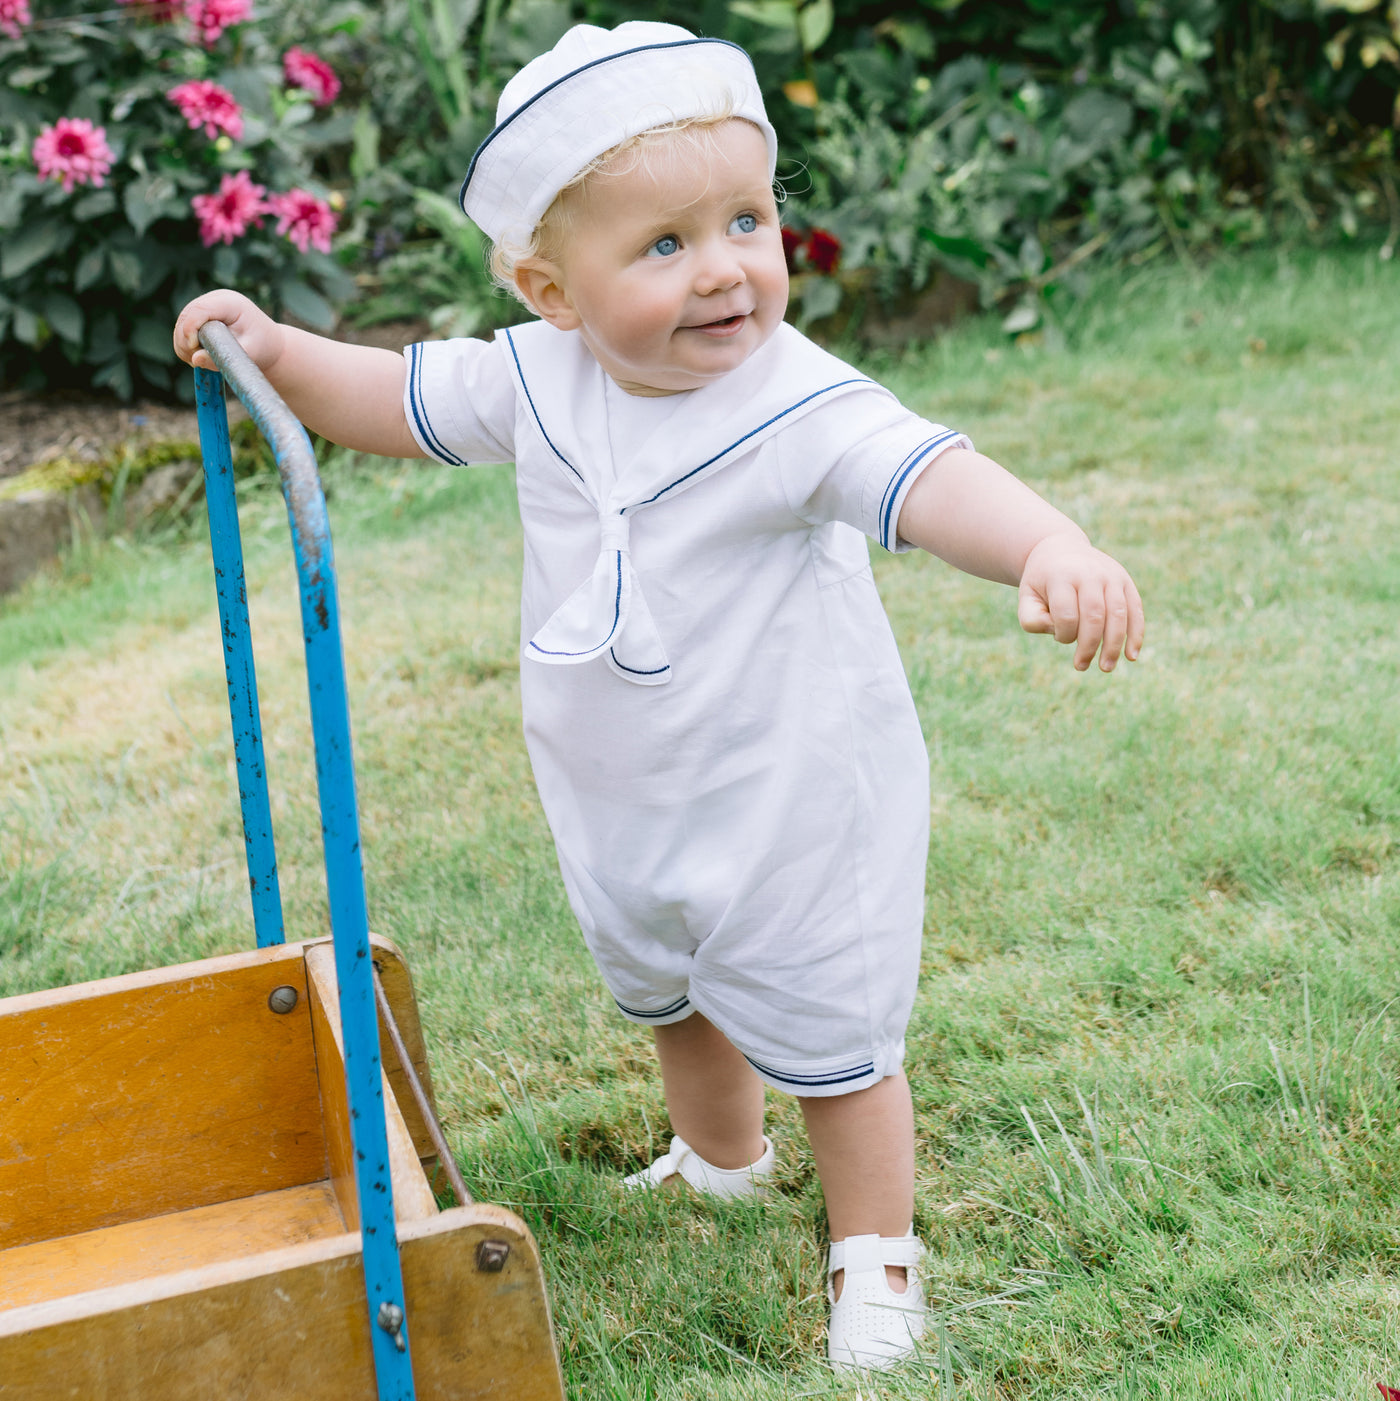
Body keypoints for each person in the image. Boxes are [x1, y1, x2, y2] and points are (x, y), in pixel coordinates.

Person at [173, 20, 1144, 1372]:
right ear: (551, 287)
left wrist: (1047, 543)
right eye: (665, 245)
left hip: (790, 783)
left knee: (827, 1021)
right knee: (668, 981)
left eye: (747, 219)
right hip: (619, 774)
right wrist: (277, 347)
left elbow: (920, 477)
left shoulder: (794, 401)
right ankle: (722, 1152)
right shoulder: (536, 377)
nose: (727, 270)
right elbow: (391, 395)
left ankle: (876, 1247)